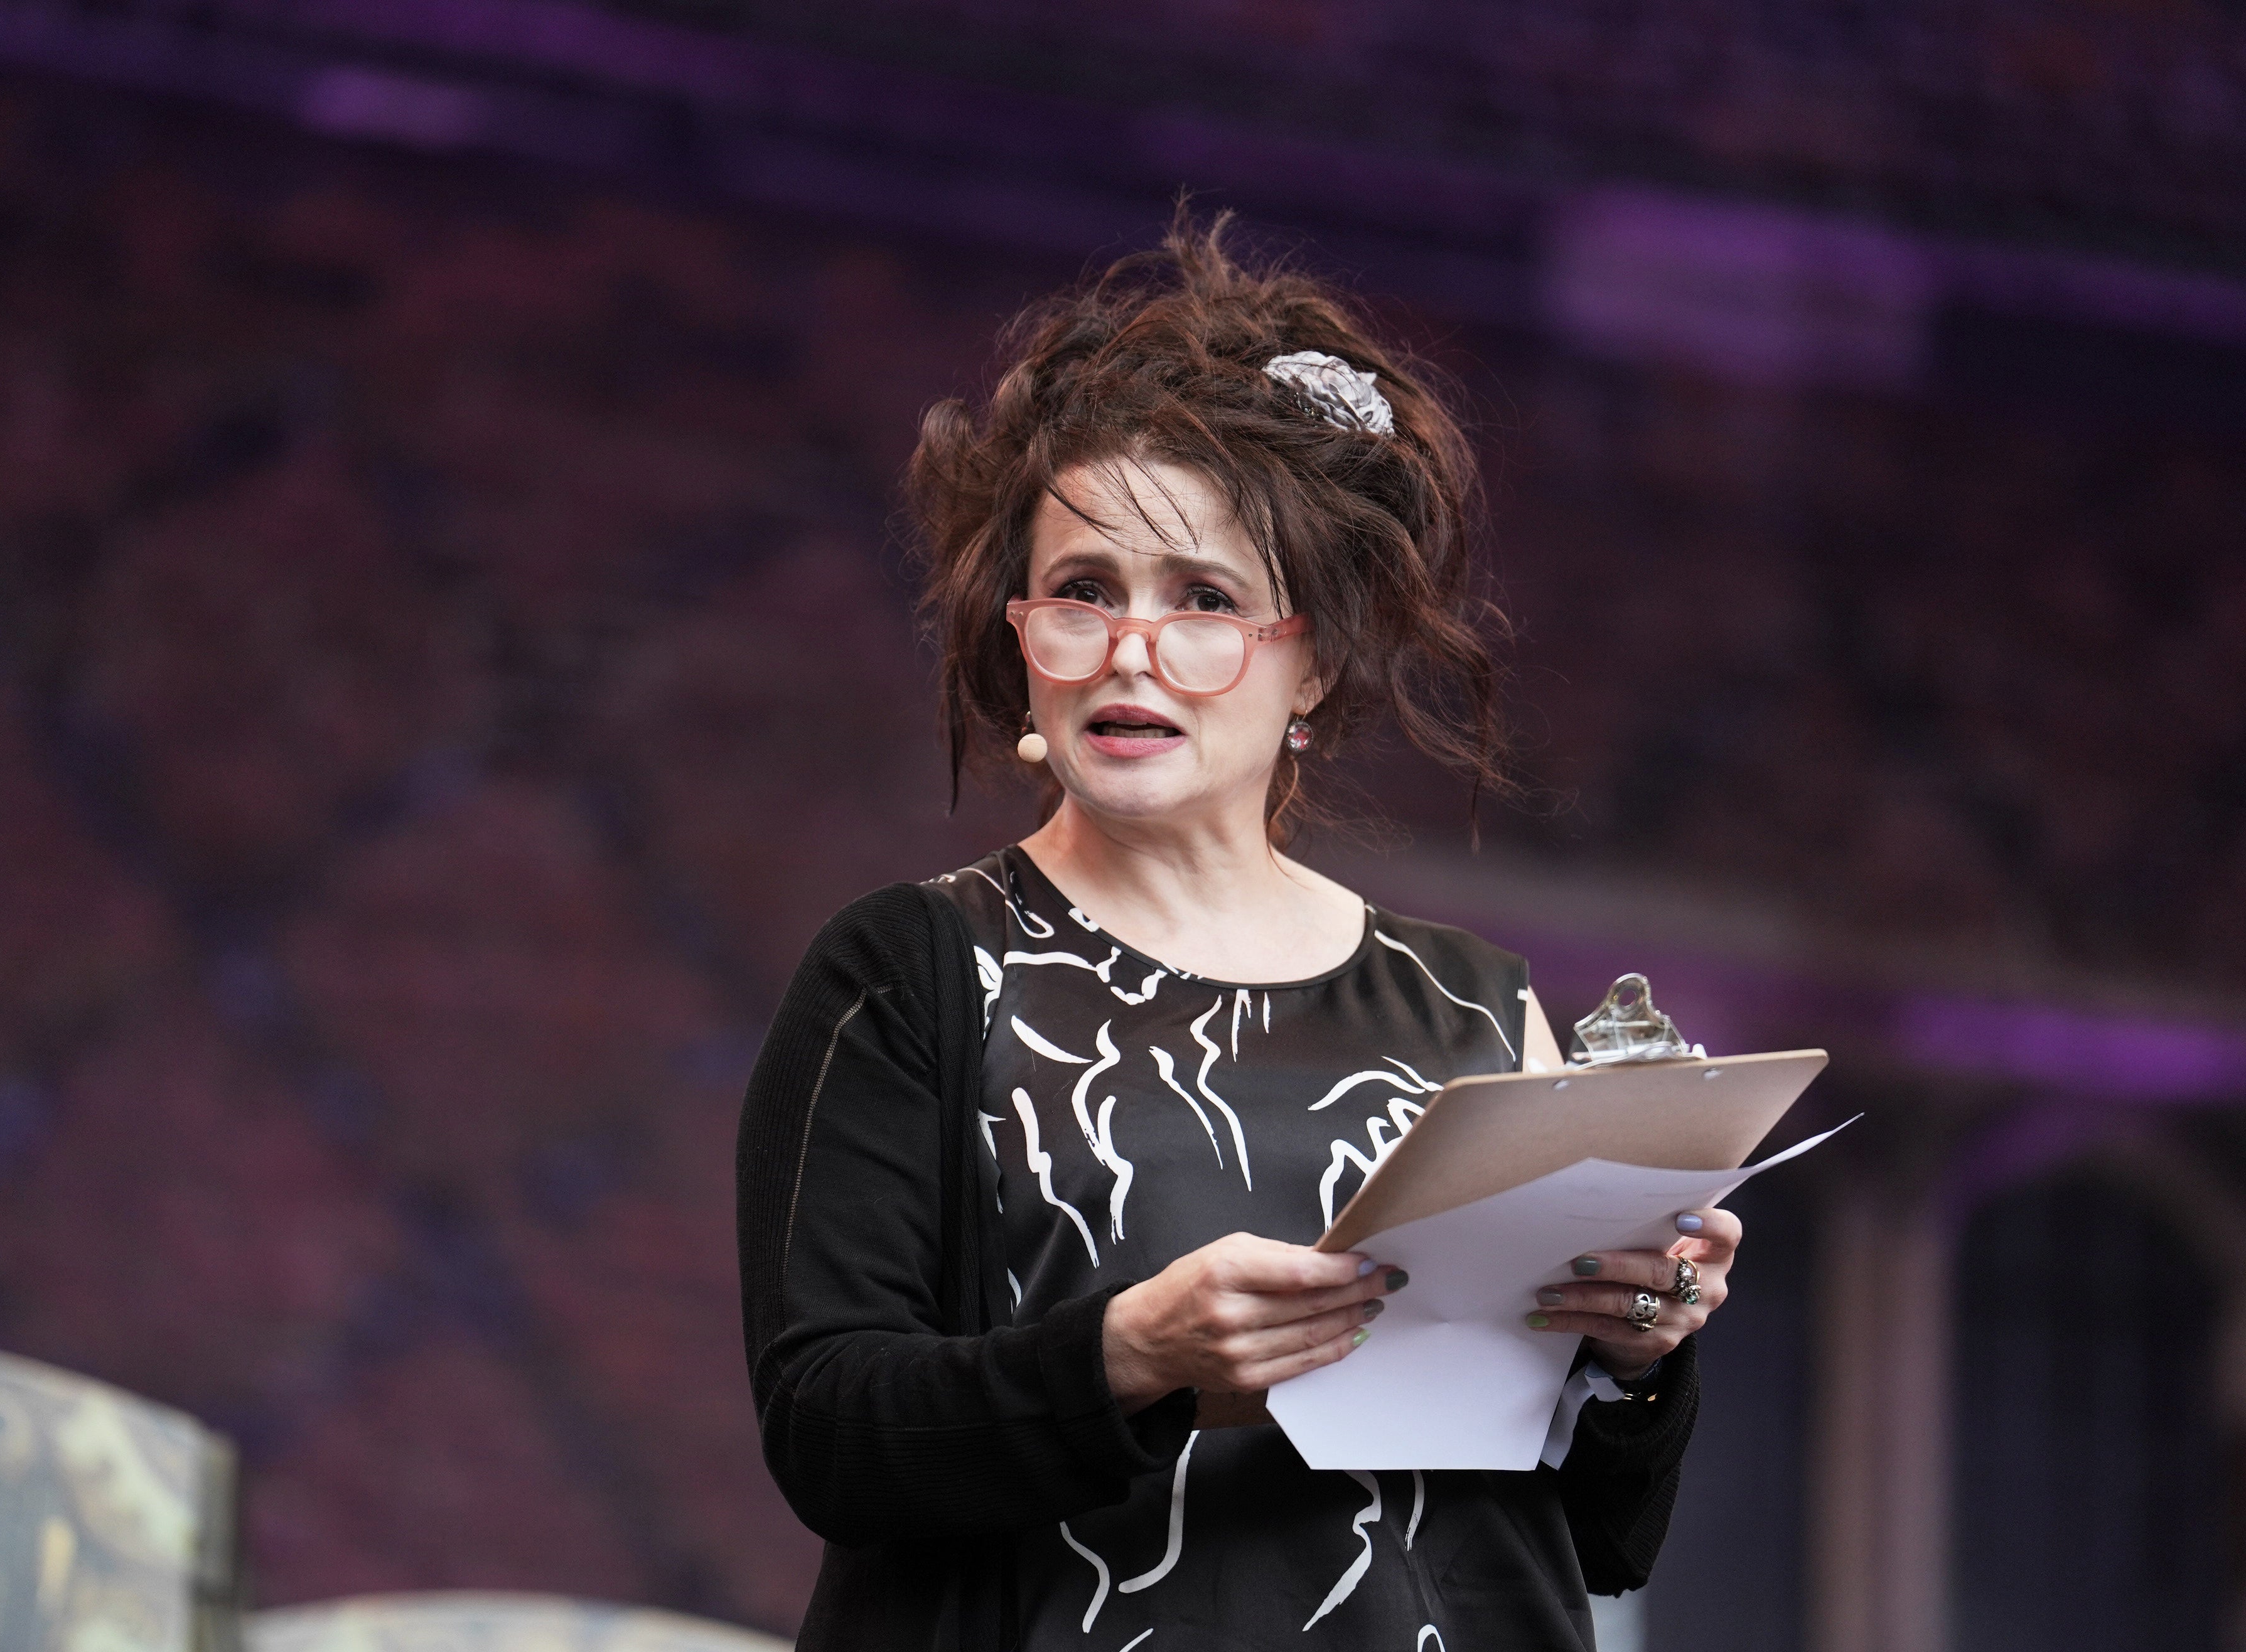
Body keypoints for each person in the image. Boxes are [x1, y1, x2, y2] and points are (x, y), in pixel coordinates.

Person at [735, 218, 1739, 1652]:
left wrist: (1643, 1353)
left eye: (1202, 599)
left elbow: (1595, 1530)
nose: (1131, 649)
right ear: (1021, 632)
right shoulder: (908, 972)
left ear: (1312, 657)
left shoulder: (1469, 1003)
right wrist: (1129, 1355)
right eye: (1085, 590)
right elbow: (828, 1432)